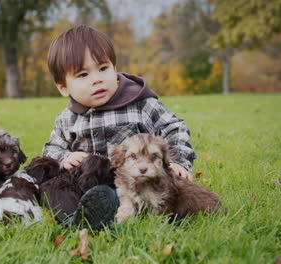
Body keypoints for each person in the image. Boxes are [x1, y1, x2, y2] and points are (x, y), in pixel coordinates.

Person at [42, 25, 196, 229]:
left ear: (114, 69)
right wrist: (65, 157)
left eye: (103, 68)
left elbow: (174, 128)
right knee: (49, 189)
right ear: (63, 87)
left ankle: (105, 210)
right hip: (85, 185)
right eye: (82, 75)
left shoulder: (140, 104)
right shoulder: (68, 118)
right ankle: (74, 217)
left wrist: (178, 161)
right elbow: (51, 150)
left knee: (126, 194)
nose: (96, 79)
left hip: (134, 184)